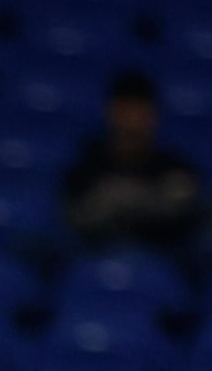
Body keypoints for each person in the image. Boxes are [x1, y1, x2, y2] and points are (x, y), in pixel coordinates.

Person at [65, 69, 206, 257]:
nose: (132, 121)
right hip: (98, 260)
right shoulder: (86, 169)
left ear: (154, 115)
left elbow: (189, 212)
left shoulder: (175, 167)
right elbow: (75, 221)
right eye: (125, 110)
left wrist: (123, 201)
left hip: (166, 263)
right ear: (110, 112)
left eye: (140, 110)